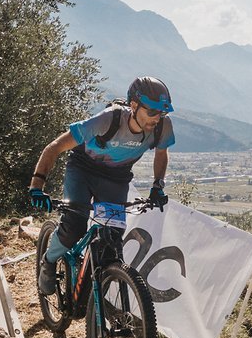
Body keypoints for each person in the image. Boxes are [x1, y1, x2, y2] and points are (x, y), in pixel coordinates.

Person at [29, 76, 175, 295]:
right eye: (152, 112)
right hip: (83, 169)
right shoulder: (108, 120)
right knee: (75, 225)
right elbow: (55, 147)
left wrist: (158, 186)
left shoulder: (162, 126)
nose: (157, 118)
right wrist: (37, 187)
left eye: (162, 113)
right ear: (134, 105)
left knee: (111, 241)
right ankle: (49, 261)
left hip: (116, 177)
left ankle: (98, 301)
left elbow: (162, 154)